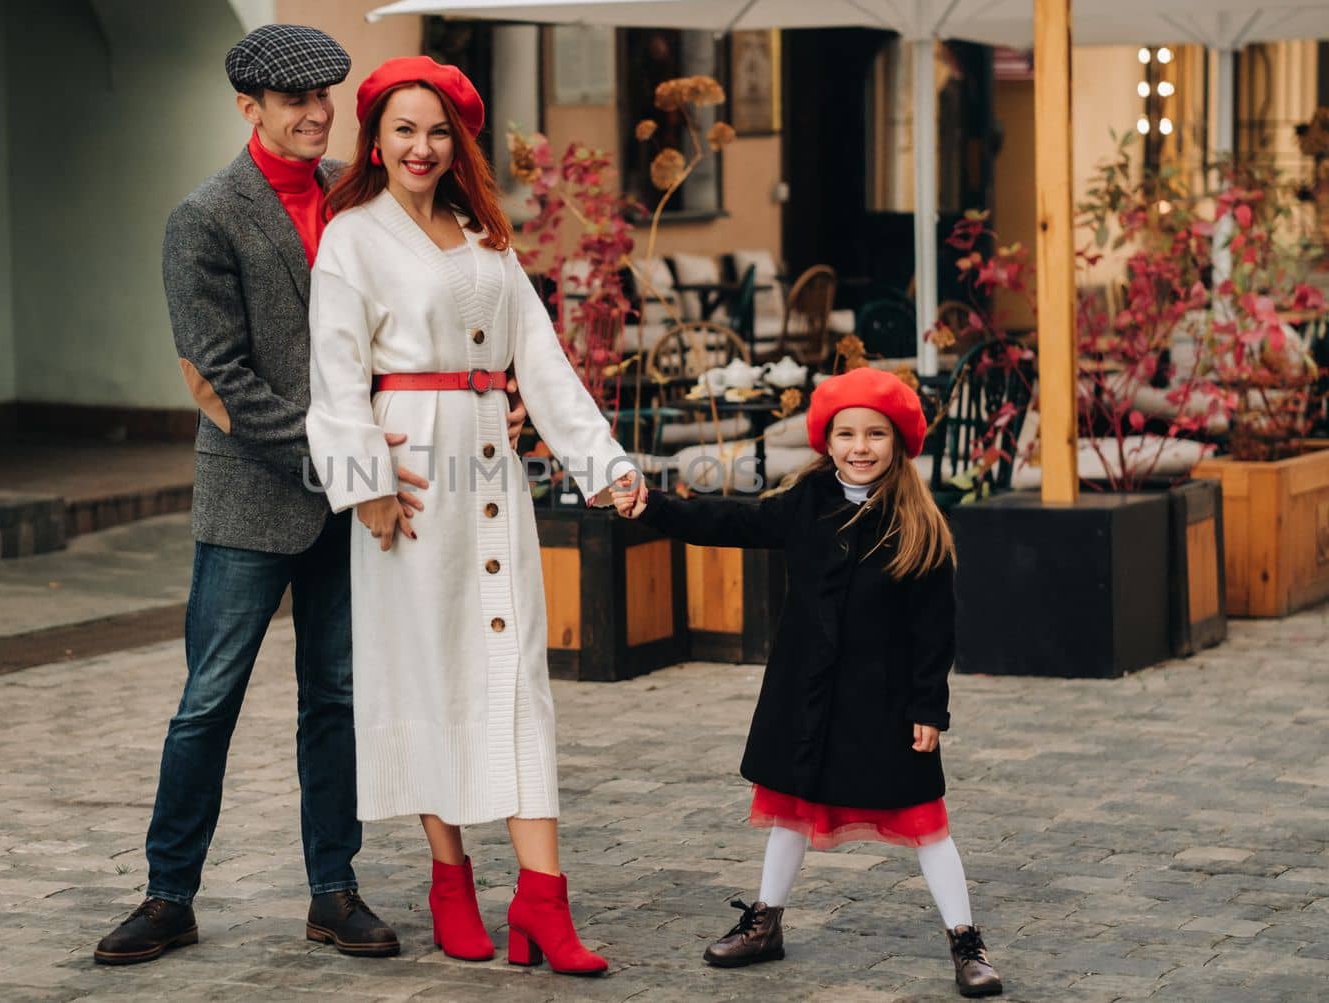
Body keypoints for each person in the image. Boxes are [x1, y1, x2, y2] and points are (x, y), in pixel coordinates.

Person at [95, 26, 507, 966]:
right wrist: (346, 469)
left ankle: (334, 890)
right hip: (258, 498)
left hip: (360, 511)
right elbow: (220, 380)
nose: (319, 114)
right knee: (209, 699)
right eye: (297, 103)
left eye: (328, 97)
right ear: (250, 109)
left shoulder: (359, 203)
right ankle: (168, 894)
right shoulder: (204, 217)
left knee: (339, 696)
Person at [305, 56, 635, 977]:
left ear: (459, 143)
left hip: (493, 470)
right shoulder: (352, 238)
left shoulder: (484, 236)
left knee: (514, 674)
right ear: (375, 139)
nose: (422, 147)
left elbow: (543, 358)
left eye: (438, 130)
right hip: (408, 473)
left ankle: (542, 899)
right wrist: (362, 478)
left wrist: (602, 460)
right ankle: (449, 878)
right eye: (404, 129)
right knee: (430, 674)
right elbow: (333, 374)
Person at [614, 368, 1004, 998]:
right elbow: (731, 523)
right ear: (826, 440)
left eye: (876, 434)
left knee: (926, 821)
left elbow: (937, 632)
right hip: (806, 694)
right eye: (846, 433)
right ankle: (765, 923)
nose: (860, 446)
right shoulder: (804, 504)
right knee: (791, 808)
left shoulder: (920, 526)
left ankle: (966, 940)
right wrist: (652, 507)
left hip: (883, 703)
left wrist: (930, 705)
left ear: (899, 442)